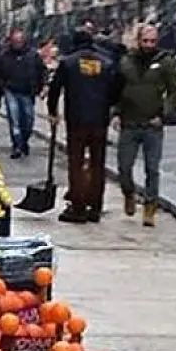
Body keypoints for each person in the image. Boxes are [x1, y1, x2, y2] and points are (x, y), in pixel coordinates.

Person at [112, 24, 176, 227]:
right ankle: (128, 193)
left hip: (153, 123)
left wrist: (165, 114)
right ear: (138, 40)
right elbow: (118, 89)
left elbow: (174, 90)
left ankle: (150, 206)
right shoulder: (126, 61)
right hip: (129, 122)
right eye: (146, 41)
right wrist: (116, 113)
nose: (149, 45)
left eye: (153, 41)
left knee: (152, 168)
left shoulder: (165, 62)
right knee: (124, 167)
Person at [46, 28, 116, 223]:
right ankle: (95, 206)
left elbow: (55, 89)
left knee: (76, 163)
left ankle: (77, 207)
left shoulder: (68, 63)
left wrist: (52, 111)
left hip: (76, 120)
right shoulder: (106, 62)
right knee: (97, 163)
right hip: (100, 120)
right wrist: (107, 107)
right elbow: (115, 89)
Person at [0, 28, 44, 159]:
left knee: (28, 119)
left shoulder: (33, 55)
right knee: (14, 118)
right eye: (15, 41)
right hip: (11, 90)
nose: (18, 43)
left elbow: (41, 71)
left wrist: (40, 87)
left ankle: (24, 141)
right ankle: (17, 145)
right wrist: (2, 88)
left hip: (28, 91)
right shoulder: (4, 55)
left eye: (20, 41)